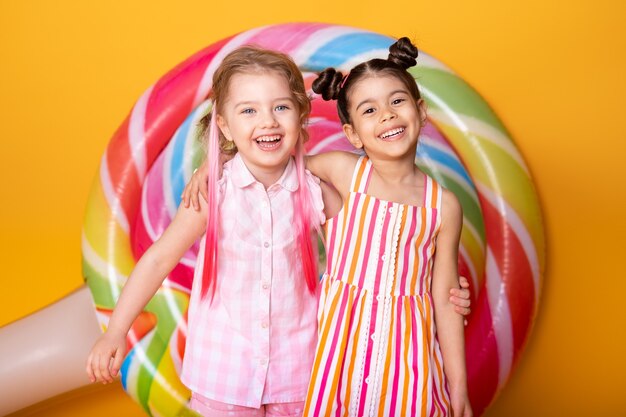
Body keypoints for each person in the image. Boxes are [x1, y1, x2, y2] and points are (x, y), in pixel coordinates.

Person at [183, 38, 472, 417]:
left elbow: (446, 300)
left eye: (397, 101)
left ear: (421, 110)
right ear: (352, 133)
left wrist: (460, 391)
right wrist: (215, 163)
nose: (386, 115)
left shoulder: (444, 207)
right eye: (370, 109)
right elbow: (272, 158)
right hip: (340, 357)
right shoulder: (343, 171)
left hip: (409, 362)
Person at [86, 46, 326, 417]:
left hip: (298, 370)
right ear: (225, 126)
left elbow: (357, 259)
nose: (268, 121)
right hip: (224, 371)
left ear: (301, 115)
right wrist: (117, 330)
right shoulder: (213, 190)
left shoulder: (315, 189)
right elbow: (159, 258)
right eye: (248, 110)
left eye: (281, 107)